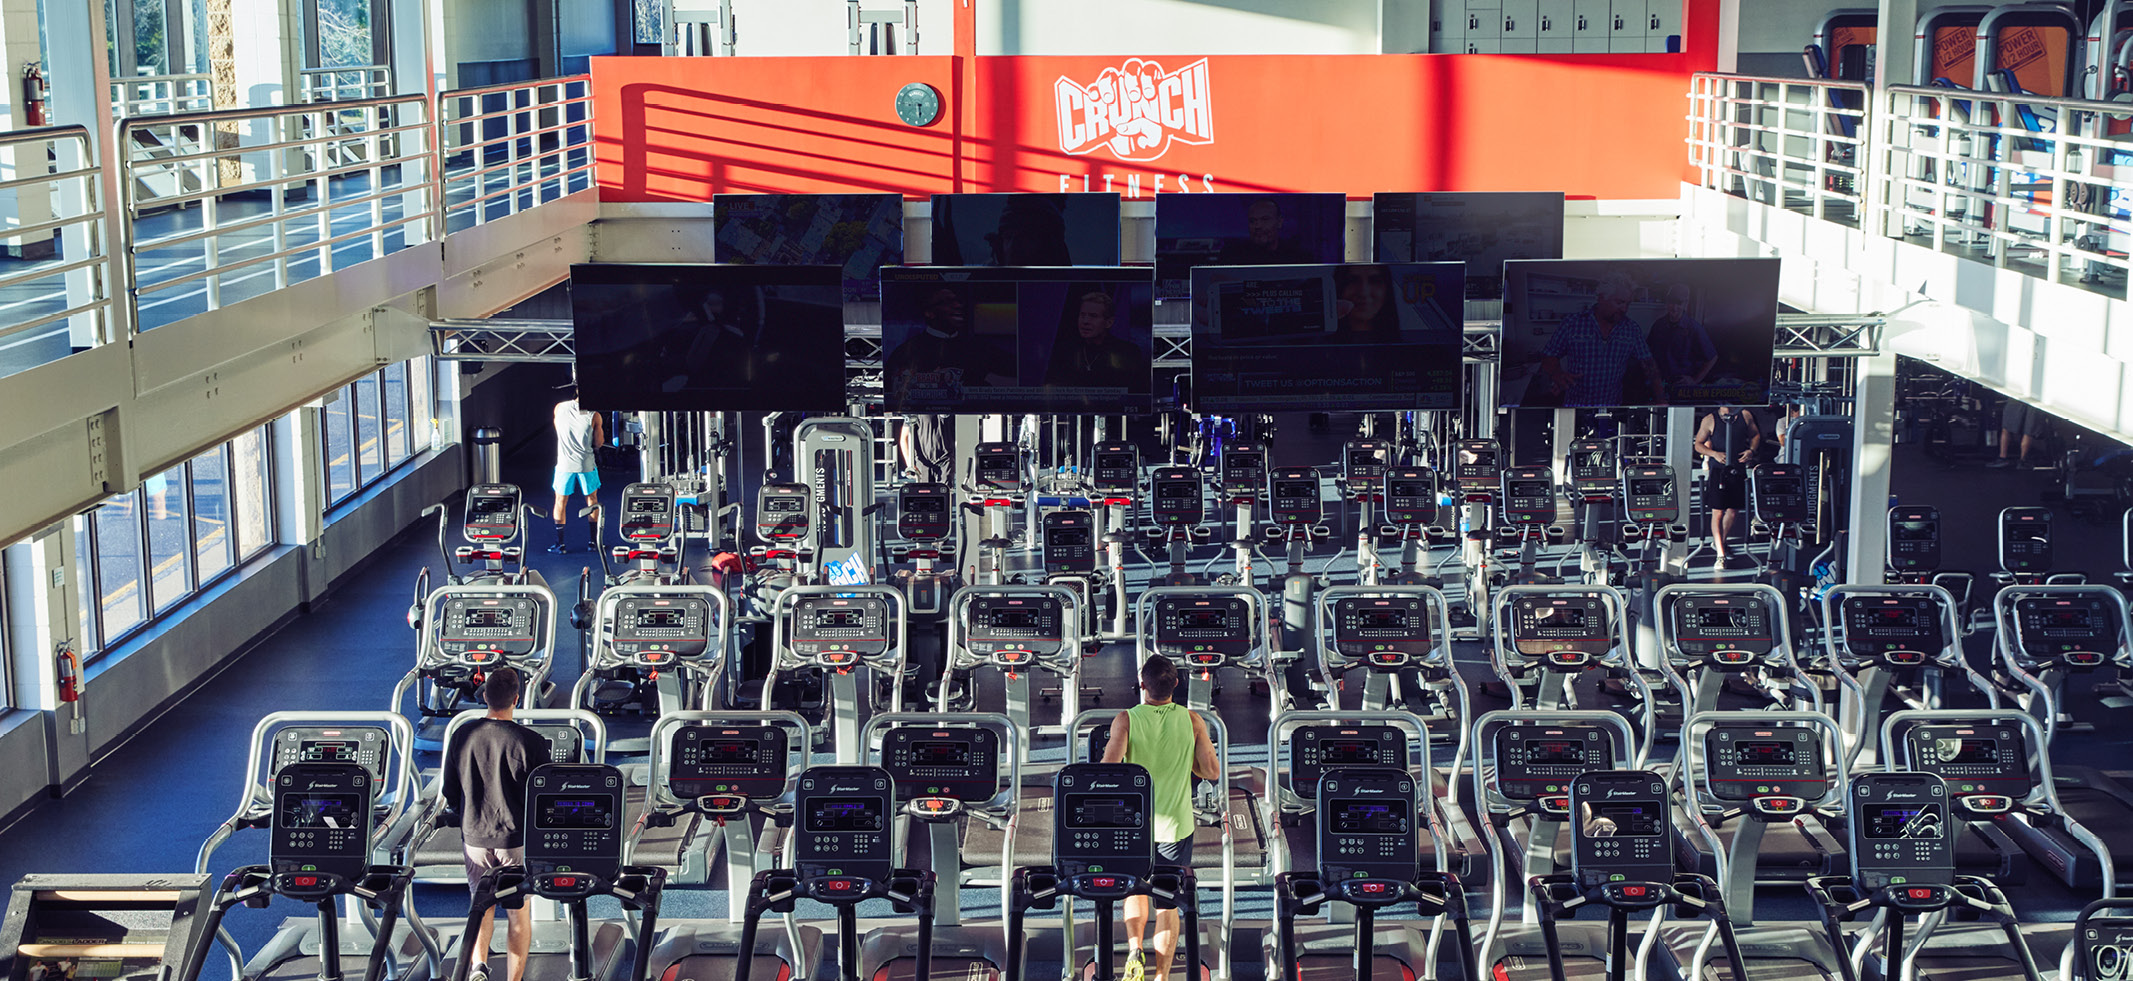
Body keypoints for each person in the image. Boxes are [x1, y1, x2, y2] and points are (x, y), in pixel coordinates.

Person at [1101, 656, 1220, 981]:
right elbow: (1211, 771)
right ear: (1176, 685)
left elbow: (1108, 770)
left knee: (1135, 891)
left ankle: (1135, 949)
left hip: (1134, 827)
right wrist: (1187, 765)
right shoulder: (1193, 720)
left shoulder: (1126, 719)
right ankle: (1162, 976)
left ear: (1142, 685)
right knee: (1167, 904)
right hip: (1175, 828)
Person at [441, 667, 553, 981]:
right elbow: (543, 795)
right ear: (516, 700)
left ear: (485, 697)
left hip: (474, 837)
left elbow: (451, 788)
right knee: (518, 913)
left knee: (481, 905)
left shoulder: (462, 734)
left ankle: (479, 969)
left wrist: (463, 814)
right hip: (514, 841)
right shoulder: (529, 741)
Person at [1537, 272, 1667, 406]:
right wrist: (1556, 373)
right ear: (1601, 298)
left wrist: (1661, 399)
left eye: (1628, 304)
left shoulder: (1631, 329)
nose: (1624, 309)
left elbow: (1649, 364)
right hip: (1575, 406)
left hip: (1612, 407)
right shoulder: (1572, 323)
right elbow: (1549, 354)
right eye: (1619, 302)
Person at [885, 287, 1016, 402]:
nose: (957, 306)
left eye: (957, 301)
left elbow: (1017, 369)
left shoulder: (978, 348)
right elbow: (896, 395)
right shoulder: (906, 352)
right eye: (947, 302)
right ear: (929, 313)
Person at [1694, 406, 1763, 565]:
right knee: (1717, 512)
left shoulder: (1745, 415)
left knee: (1733, 511)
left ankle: (1720, 542)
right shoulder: (1710, 419)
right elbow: (1698, 444)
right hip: (1718, 471)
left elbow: (1755, 435)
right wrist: (1714, 454)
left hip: (1737, 469)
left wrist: (1751, 450)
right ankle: (1720, 555)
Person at [1045, 290, 1150, 391]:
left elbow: (1136, 395)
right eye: (1082, 315)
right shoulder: (1064, 351)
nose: (1085, 321)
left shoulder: (1128, 352)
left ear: (1109, 322)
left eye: (1093, 316)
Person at [550, 387, 603, 554]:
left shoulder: (559, 407)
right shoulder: (594, 415)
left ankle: (560, 545)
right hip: (585, 464)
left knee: (560, 501)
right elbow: (599, 443)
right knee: (592, 499)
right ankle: (593, 543)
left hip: (564, 464)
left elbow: (559, 429)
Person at [1644, 283, 1717, 401]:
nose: (1674, 307)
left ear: (1685, 304)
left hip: (1683, 390)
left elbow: (1712, 357)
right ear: (1667, 302)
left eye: (1679, 303)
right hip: (1660, 388)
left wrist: (1694, 380)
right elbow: (1647, 354)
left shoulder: (1694, 328)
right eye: (1672, 302)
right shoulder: (1658, 326)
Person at [1214, 198, 1317, 265]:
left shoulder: (1299, 258)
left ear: (1279, 222)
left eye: (1265, 219)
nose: (1257, 226)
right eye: (1253, 221)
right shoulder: (1232, 256)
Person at [1330, 264, 1401, 340]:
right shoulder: (1320, 346)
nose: (1364, 293)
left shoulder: (1405, 348)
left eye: (1374, 281)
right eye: (1353, 281)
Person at [1991, 400, 2051, 468]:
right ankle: (2023, 460)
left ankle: (2002, 457)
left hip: (2018, 395)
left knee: (2007, 427)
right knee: (2028, 431)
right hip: (2036, 399)